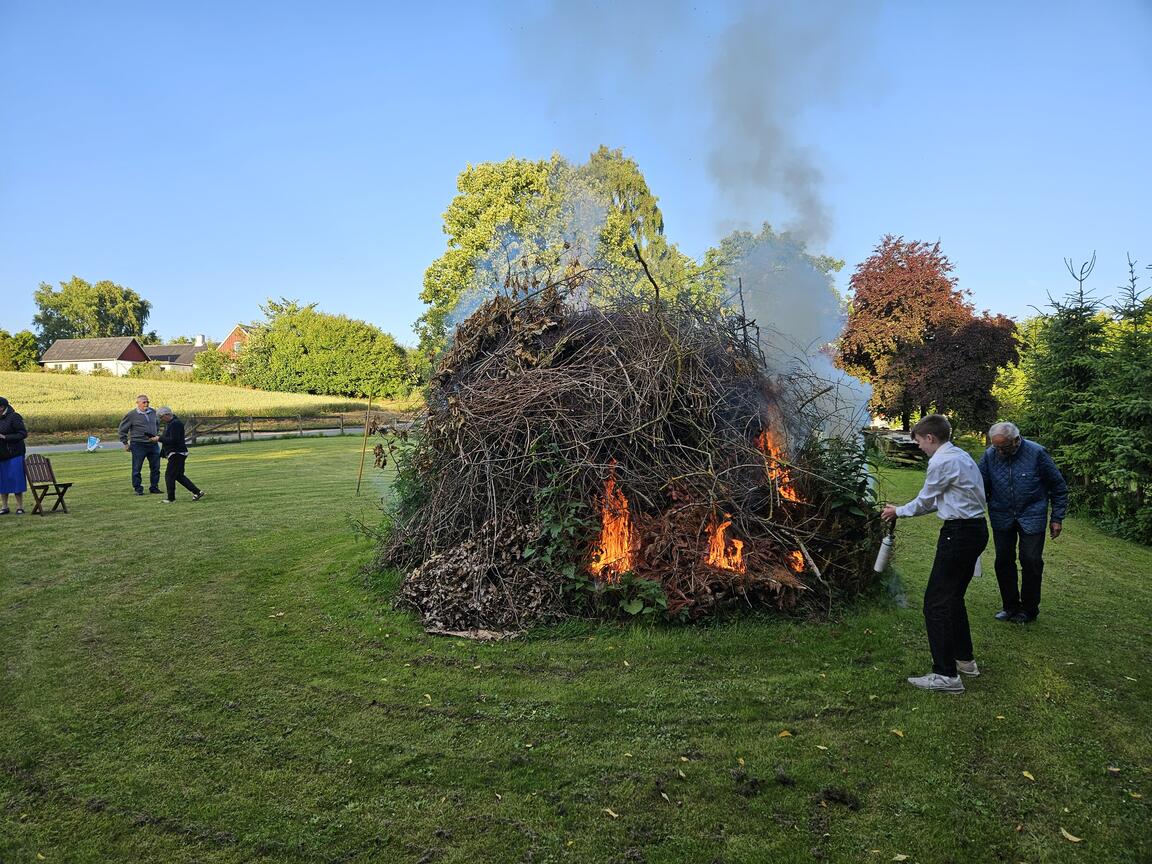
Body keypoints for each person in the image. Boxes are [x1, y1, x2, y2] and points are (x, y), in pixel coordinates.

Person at [882, 414, 988, 693]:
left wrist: (897, 511)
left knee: (935, 603)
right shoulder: (960, 455)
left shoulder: (941, 461)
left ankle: (946, 675)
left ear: (930, 438)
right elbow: (940, 499)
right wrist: (903, 509)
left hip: (959, 534)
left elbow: (927, 499)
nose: (918, 447)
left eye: (918, 441)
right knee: (953, 599)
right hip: (975, 530)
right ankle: (965, 661)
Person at [978, 421, 1068, 624]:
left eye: (1004, 447)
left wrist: (1057, 518)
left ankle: (1029, 609)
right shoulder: (990, 455)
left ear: (1016, 441)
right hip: (1002, 516)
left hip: (1032, 515)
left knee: (1031, 561)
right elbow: (979, 486)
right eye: (996, 446)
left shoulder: (1037, 453)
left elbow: (1058, 487)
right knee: (1003, 561)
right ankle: (1010, 606)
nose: (999, 451)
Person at [151, 407, 204, 504]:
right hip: (177, 453)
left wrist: (159, 439)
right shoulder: (171, 423)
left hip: (177, 453)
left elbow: (173, 440)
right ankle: (197, 492)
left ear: (167, 415)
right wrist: (163, 451)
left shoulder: (175, 424)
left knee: (169, 476)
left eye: (161, 417)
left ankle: (171, 498)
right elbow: (169, 438)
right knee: (178, 476)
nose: (161, 419)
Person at [118, 394, 161, 495]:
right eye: (144, 402)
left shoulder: (154, 412)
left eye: (147, 402)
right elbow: (122, 429)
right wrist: (125, 443)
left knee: (156, 467)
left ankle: (154, 487)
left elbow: (157, 425)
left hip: (153, 444)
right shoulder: (131, 415)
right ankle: (138, 489)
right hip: (138, 445)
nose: (146, 404)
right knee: (137, 468)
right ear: (138, 403)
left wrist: (156, 435)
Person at [0, 396, 28, 515]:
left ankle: (19, 507)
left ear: (1, 407)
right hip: (1, 455)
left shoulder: (14, 417)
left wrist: (5, 437)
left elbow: (23, 433)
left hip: (15, 453)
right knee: (2, 481)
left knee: (16, 480)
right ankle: (4, 506)